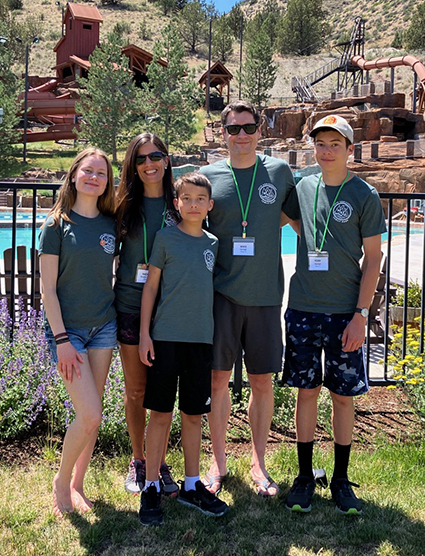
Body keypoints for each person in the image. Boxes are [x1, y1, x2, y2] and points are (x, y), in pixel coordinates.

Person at [282, 114, 385, 514]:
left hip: (345, 313)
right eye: (320, 144)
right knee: (305, 393)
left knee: (343, 397)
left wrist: (361, 314)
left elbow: (373, 259)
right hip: (304, 307)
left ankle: (340, 479)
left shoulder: (364, 195)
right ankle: (305, 477)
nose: (326, 151)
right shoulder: (304, 187)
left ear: (349, 150)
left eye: (335, 145)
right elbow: (291, 221)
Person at [199, 100, 296, 497]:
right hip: (220, 295)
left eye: (248, 127)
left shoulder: (279, 172)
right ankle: (218, 463)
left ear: (261, 130)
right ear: (222, 133)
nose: (241, 135)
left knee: (261, 381)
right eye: (233, 128)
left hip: (265, 296)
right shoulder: (207, 177)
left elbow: (303, 221)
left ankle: (258, 463)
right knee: (217, 380)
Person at [137, 173, 227, 526]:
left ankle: (192, 484)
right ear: (176, 203)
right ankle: (151, 487)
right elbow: (150, 289)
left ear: (209, 205)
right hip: (165, 340)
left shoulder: (212, 243)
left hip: (200, 341)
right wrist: (145, 334)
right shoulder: (164, 239)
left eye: (199, 198)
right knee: (160, 413)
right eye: (185, 198)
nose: (192, 204)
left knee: (193, 414)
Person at [40, 147, 118, 516]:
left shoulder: (110, 223)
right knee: (89, 414)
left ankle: (78, 486)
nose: (94, 177)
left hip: (104, 327)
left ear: (107, 182)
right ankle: (61, 480)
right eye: (88, 170)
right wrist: (61, 341)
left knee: (95, 412)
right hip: (68, 333)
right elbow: (47, 290)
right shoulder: (55, 225)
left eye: (101, 173)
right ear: (73, 175)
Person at [114, 134, 179, 497]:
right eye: (141, 159)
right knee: (137, 389)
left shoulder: (179, 203)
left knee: (162, 392)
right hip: (129, 306)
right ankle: (138, 460)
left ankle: (159, 461)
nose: (149, 163)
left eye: (156, 156)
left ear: (167, 161)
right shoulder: (123, 205)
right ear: (133, 166)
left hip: (169, 310)